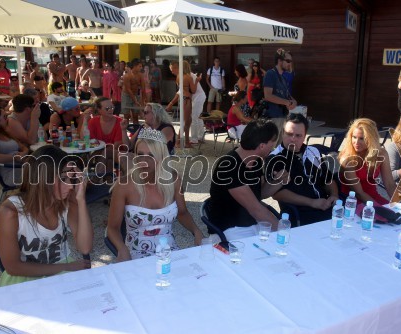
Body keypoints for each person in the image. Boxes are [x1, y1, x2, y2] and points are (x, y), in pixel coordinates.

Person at [0, 145, 93, 286]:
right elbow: (13, 267)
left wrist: (81, 200)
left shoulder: (67, 201)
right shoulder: (11, 211)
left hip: (62, 272)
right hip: (25, 277)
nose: (70, 186)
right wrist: (65, 267)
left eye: (70, 178)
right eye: (62, 178)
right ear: (43, 179)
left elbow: (85, 247)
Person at [107, 127, 203, 262]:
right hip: (135, 255)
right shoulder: (124, 185)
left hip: (169, 251)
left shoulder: (173, 180)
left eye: (151, 155)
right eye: (140, 154)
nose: (144, 161)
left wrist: (196, 231)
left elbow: (182, 213)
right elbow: (112, 227)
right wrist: (121, 248)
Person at [208, 119, 289, 240]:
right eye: (271, 145)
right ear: (262, 146)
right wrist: (284, 231)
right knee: (277, 243)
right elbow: (255, 209)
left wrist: (279, 181)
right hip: (229, 228)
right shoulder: (229, 165)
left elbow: (260, 194)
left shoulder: (255, 161)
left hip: (250, 223)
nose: (272, 149)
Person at [268, 113, 339, 224]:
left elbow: (328, 179)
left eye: (298, 135)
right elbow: (278, 194)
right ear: (282, 133)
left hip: (325, 207)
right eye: (289, 134)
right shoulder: (275, 158)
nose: (293, 139)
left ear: (305, 136)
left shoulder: (313, 151)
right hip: (299, 214)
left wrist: (334, 195)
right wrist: (312, 202)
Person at [338, 118, 397, 205]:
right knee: (386, 215)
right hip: (352, 201)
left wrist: (400, 204)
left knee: (400, 214)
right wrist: (380, 209)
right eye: (354, 137)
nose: (356, 142)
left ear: (371, 139)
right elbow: (359, 193)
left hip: (373, 197)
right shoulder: (347, 158)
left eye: (362, 138)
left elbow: (389, 183)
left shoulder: (381, 153)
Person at [263, 48, 297, 144]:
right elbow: (268, 95)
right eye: (288, 61)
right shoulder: (270, 74)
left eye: (291, 61)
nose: (290, 63)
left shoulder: (283, 77)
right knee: (271, 147)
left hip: (282, 116)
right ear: (279, 61)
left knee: (280, 147)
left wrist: (294, 101)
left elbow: (287, 96)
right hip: (272, 117)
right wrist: (287, 102)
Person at [166, 60, 197, 148]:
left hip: (183, 99)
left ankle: (186, 142)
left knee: (188, 121)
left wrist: (171, 103)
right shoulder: (188, 77)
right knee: (184, 122)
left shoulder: (179, 77)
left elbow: (180, 91)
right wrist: (197, 81)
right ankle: (178, 142)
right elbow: (194, 90)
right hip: (187, 99)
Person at [121, 58, 146, 125]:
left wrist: (143, 101)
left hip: (136, 94)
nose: (141, 68)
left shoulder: (140, 75)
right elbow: (128, 90)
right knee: (126, 116)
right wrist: (135, 100)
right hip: (126, 95)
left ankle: (135, 132)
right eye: (139, 66)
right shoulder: (127, 76)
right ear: (135, 66)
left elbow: (143, 88)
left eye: (141, 66)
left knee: (135, 116)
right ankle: (125, 132)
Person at [189, 62, 206, 144]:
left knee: (194, 117)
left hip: (198, 97)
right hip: (199, 97)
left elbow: (193, 90)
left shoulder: (189, 76)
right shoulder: (191, 75)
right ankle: (200, 137)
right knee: (198, 117)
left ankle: (194, 139)